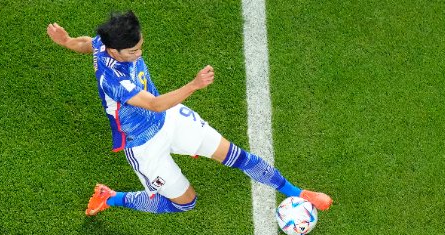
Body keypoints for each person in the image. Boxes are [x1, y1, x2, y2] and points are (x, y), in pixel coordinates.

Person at [46, 11, 333, 217]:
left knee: (237, 156)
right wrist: (194, 85)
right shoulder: (112, 79)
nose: (139, 54)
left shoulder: (105, 43)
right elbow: (154, 104)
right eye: (133, 51)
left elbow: (88, 44)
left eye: (140, 47)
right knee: (185, 203)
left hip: (170, 119)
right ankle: (110, 197)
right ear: (114, 50)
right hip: (144, 144)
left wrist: (67, 41)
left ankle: (298, 193)